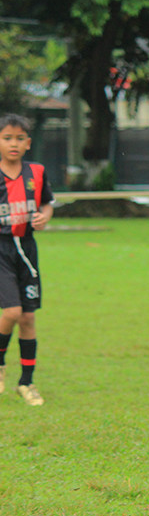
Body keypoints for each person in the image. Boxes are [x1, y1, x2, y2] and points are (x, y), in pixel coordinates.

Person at [0, 113, 54, 406]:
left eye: (20, 138)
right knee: (11, 312)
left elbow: (46, 204)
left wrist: (44, 217)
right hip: (0, 249)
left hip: (27, 250)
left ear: (28, 143)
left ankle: (27, 383)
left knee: (28, 317)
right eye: (7, 137)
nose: (13, 144)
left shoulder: (37, 173)